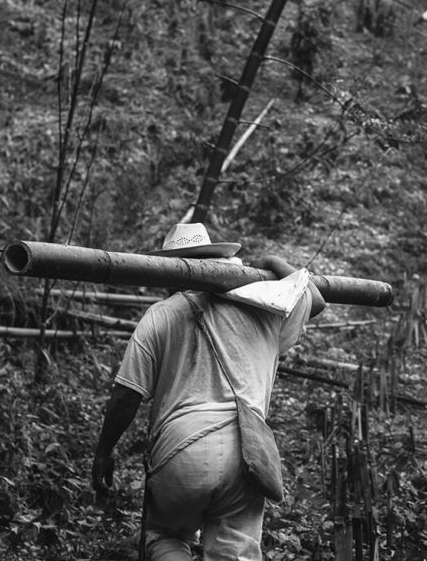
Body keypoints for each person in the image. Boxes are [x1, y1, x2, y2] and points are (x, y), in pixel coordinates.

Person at [91, 223, 325, 561]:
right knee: (236, 552)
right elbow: (314, 299)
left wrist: (104, 451)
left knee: (163, 536)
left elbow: (128, 393)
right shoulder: (264, 307)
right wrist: (274, 261)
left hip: (179, 452)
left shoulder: (160, 315)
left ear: (168, 271)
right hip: (247, 452)